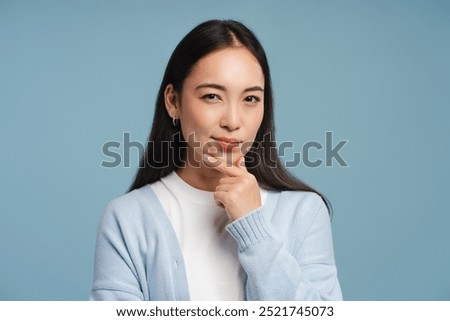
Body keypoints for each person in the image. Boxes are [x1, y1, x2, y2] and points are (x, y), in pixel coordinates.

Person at [90, 19, 342, 301]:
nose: (233, 122)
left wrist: (253, 228)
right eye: (212, 96)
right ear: (173, 101)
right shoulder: (127, 218)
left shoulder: (304, 212)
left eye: (250, 99)